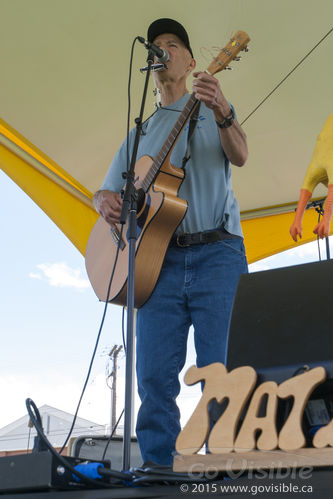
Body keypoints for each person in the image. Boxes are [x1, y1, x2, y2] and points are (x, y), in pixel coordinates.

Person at [93, 18, 248, 466]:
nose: (161, 51)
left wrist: (224, 110)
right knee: (154, 375)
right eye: (155, 47)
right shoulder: (139, 132)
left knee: (222, 369)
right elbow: (104, 192)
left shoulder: (213, 107)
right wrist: (103, 200)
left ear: (193, 61)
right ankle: (158, 470)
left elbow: (240, 153)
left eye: (172, 44)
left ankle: (226, 466)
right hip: (156, 261)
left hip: (218, 251)